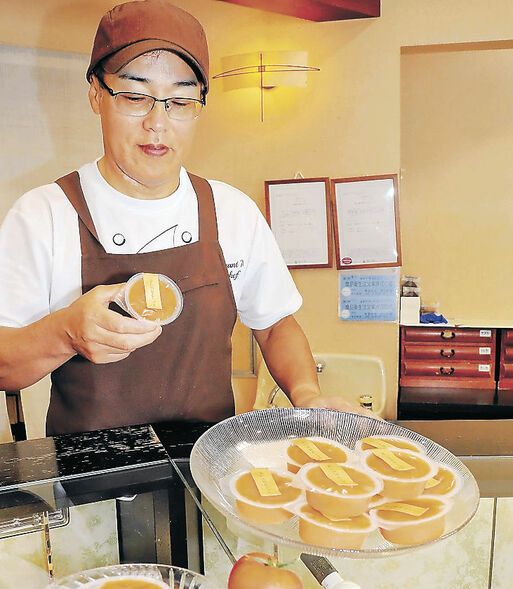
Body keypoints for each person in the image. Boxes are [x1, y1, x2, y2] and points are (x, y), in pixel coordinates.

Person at [0, 0, 374, 436]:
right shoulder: (43, 214)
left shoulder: (231, 211)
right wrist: (65, 332)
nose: (158, 123)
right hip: (92, 489)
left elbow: (274, 325)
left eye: (179, 101)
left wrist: (308, 395)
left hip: (207, 474)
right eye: (136, 97)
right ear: (96, 95)